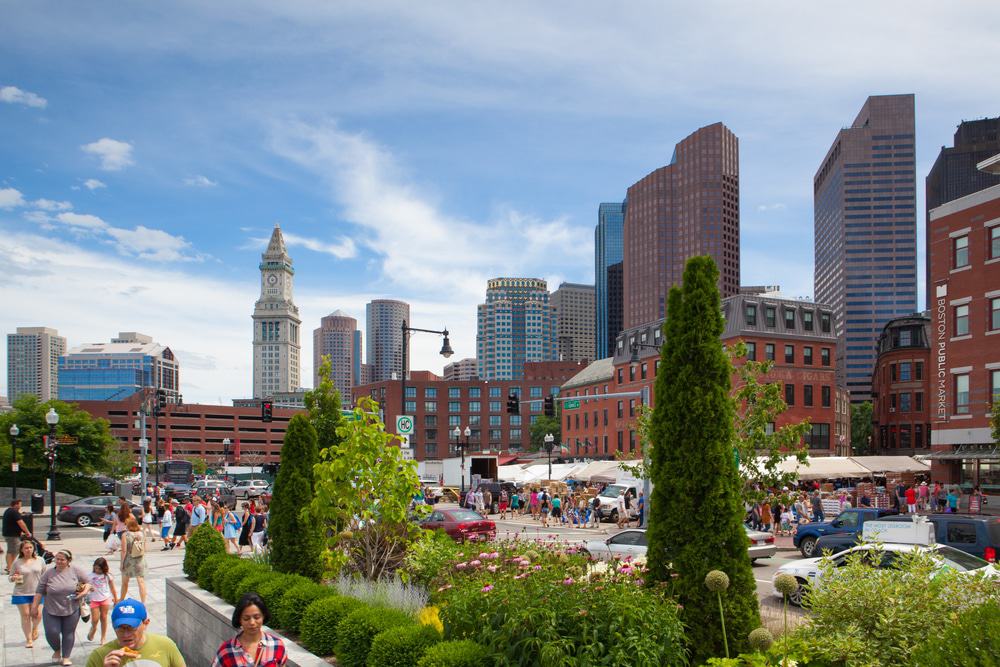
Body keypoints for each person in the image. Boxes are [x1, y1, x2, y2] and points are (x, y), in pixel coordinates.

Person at [32, 549, 91, 666]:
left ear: (69, 560)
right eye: (57, 559)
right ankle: (57, 650)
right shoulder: (48, 573)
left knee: (69, 633)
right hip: (51, 608)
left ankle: (66, 657)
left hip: (71, 608)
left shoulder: (76, 570)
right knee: (51, 632)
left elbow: (88, 582)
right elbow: (39, 591)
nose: (58, 561)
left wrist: (85, 591)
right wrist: (34, 606)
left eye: (62, 560)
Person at [86, 598, 185, 666]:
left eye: (131, 628)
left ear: (146, 623)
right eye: (120, 628)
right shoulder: (99, 656)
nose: (126, 635)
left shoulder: (165, 646)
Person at [213, 592, 287, 666]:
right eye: (246, 618)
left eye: (257, 617)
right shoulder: (226, 651)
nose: (252, 623)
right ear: (239, 619)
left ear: (263, 616)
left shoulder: (277, 645)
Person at [10, 538, 44, 648]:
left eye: (30, 547)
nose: (28, 550)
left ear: (34, 548)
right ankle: (29, 639)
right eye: (26, 548)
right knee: (25, 615)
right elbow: (10, 577)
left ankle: (35, 628)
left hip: (37, 592)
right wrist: (14, 577)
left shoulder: (40, 560)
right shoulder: (17, 562)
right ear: (22, 550)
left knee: (38, 615)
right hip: (21, 592)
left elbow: (45, 575)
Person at [87, 557, 118, 644]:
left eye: (99, 569)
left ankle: (103, 637)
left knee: (104, 618)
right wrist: (89, 588)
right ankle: (93, 629)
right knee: (95, 620)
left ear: (104, 568)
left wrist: (115, 599)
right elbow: (86, 586)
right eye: (96, 568)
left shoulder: (107, 576)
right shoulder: (90, 576)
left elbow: (112, 588)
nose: (97, 570)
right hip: (94, 599)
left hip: (105, 598)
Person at [120, 515, 147, 604]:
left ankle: (121, 600)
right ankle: (143, 603)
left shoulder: (125, 535)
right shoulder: (142, 534)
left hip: (129, 560)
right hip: (140, 560)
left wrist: (122, 563)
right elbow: (144, 548)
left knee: (125, 581)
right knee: (141, 582)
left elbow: (124, 551)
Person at [3, 498, 33, 572]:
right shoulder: (14, 512)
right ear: (16, 504)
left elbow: (12, 523)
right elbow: (21, 523)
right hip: (12, 535)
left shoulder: (8, 510)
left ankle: (10, 566)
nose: (20, 506)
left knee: (12, 550)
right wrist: (27, 532)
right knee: (12, 551)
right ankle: (10, 568)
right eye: (20, 504)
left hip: (9, 534)